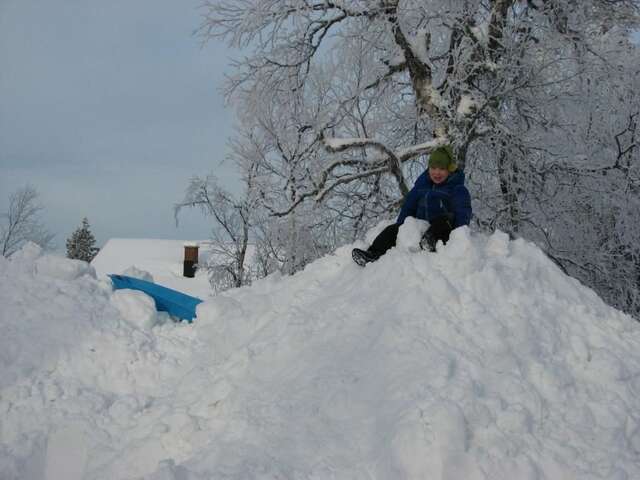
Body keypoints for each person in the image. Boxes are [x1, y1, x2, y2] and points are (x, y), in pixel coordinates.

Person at [352, 145, 472, 266]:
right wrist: (400, 227)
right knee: (391, 229)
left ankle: (430, 242)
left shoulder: (457, 189)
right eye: (433, 168)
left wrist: (458, 238)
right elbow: (408, 207)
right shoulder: (420, 187)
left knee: (444, 220)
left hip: (444, 231)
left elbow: (463, 212)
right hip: (420, 229)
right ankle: (372, 254)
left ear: (449, 170)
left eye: (441, 169)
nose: (437, 172)